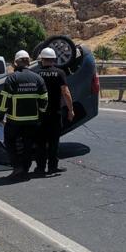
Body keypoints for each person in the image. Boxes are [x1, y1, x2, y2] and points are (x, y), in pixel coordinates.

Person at [0, 50, 47, 180]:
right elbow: (44, 99)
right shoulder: (37, 78)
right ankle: (25, 167)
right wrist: (40, 115)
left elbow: (4, 100)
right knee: (28, 144)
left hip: (14, 120)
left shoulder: (12, 78)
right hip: (32, 120)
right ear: (29, 62)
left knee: (9, 142)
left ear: (16, 63)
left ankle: (17, 167)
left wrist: (1, 116)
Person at [33, 47, 75, 175]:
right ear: (54, 59)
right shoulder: (59, 73)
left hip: (40, 114)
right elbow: (66, 92)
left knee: (40, 142)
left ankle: (40, 168)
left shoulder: (37, 74)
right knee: (53, 142)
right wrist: (70, 110)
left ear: (42, 60)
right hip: (55, 114)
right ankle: (52, 167)